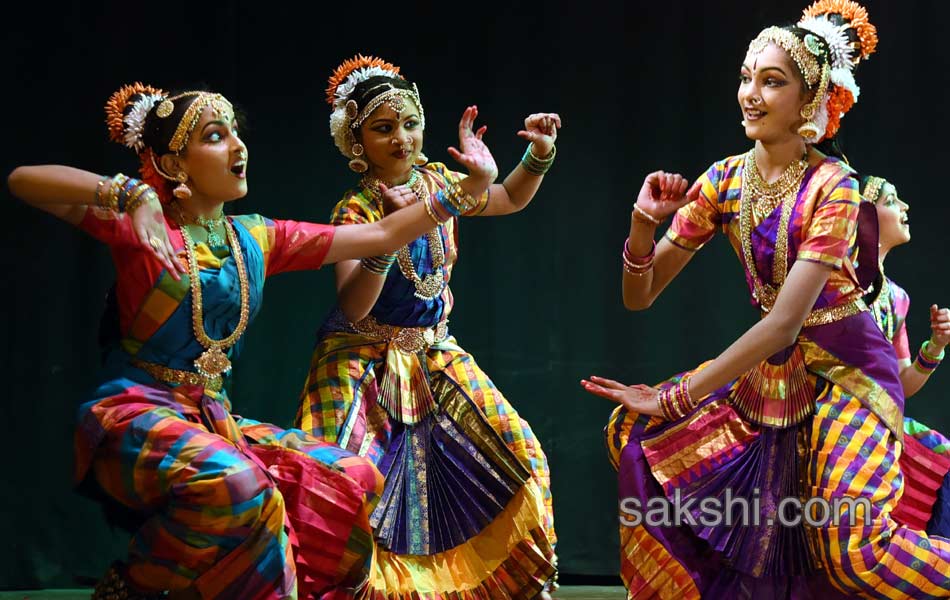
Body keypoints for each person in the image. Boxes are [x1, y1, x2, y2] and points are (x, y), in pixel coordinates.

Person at [7, 82, 497, 599]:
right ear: (174, 164)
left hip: (212, 417)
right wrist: (130, 195)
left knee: (350, 477)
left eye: (237, 133)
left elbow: (378, 236)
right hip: (137, 413)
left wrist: (470, 186)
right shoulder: (139, 229)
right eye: (217, 137)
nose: (239, 147)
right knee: (243, 486)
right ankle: (132, 587)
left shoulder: (257, 237)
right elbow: (23, 181)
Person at [585, 1, 950, 596]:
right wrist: (643, 226)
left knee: (854, 554)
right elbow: (640, 296)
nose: (750, 94)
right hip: (776, 378)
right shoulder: (725, 180)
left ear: (811, 101)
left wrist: (677, 395)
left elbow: (784, 324)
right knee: (634, 432)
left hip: (850, 375)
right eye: (746, 77)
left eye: (772, 82)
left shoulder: (835, 186)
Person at [294, 56, 560, 599]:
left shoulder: (437, 181)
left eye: (409, 123)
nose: (401, 138)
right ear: (356, 141)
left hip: (435, 355)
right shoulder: (355, 210)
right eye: (383, 128)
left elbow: (506, 198)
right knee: (342, 490)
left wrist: (538, 154)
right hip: (359, 360)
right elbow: (356, 309)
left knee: (522, 455)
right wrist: (387, 241)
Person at [859, 175, 950, 536]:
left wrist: (935, 347)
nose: (905, 207)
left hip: (880, 420)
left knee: (941, 458)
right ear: (865, 214)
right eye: (892, 200)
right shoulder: (839, 277)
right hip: (831, 412)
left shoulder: (897, 298)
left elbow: (901, 384)